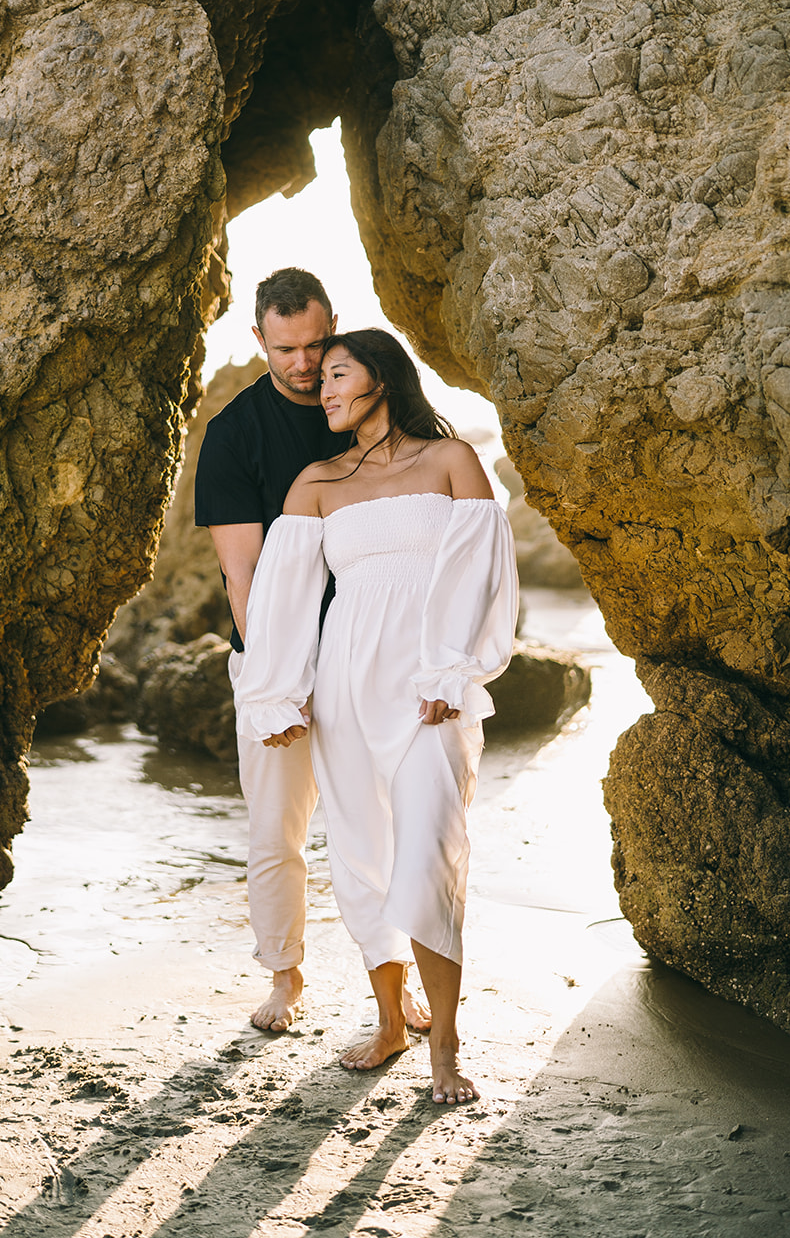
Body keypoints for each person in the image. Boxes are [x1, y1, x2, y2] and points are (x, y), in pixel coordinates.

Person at [233, 329, 518, 1103]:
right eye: (319, 379)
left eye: (335, 375)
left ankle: (446, 1047)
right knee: (362, 855)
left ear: (381, 379)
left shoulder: (452, 460)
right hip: (347, 688)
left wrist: (450, 670)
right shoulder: (316, 483)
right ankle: (391, 1022)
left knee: (431, 852)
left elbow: (484, 578)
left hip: (431, 693)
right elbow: (282, 598)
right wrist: (278, 695)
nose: (321, 391)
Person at [195, 271, 431, 1036]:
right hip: (277, 662)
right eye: (284, 348)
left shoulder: (362, 413)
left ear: (337, 327)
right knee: (277, 830)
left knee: (387, 826)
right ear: (257, 340)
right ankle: (284, 975)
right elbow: (243, 573)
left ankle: (396, 990)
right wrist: (276, 681)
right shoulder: (235, 432)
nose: (303, 366)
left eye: (315, 345)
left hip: (373, 658)